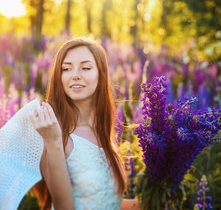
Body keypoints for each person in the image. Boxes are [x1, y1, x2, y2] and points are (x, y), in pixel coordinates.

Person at [29, 37, 141, 210]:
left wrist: (151, 201)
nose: (75, 75)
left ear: (101, 73)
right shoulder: (53, 133)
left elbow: (104, 202)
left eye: (86, 67)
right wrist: (53, 143)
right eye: (66, 69)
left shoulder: (101, 131)